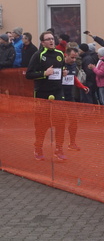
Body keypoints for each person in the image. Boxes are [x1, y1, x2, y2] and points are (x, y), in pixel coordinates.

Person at [26, 31, 67, 161]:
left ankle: (59, 149)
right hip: (42, 93)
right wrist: (44, 73)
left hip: (57, 92)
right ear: (43, 42)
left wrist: (63, 73)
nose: (51, 41)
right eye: (48, 39)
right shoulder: (38, 55)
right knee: (42, 124)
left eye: (52, 39)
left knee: (61, 121)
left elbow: (61, 68)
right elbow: (29, 74)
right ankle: (38, 148)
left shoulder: (60, 54)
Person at [62, 47, 89, 151]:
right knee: (59, 122)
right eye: (72, 57)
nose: (74, 60)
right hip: (59, 97)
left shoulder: (73, 65)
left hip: (70, 97)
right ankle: (57, 145)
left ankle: (72, 143)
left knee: (73, 120)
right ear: (66, 55)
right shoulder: (59, 64)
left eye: (75, 58)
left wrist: (82, 87)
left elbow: (73, 78)